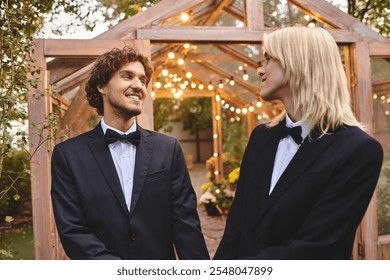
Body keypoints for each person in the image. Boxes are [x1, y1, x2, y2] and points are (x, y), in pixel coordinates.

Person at [214, 27, 383, 260]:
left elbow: (317, 247)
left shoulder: (359, 150)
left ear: (298, 62)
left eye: (268, 58)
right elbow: (236, 228)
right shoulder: (261, 137)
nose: (260, 69)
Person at [51, 46, 209, 260]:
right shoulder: (67, 155)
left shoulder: (168, 149)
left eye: (143, 80)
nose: (138, 86)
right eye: (127, 76)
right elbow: (73, 231)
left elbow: (186, 225)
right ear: (101, 86)